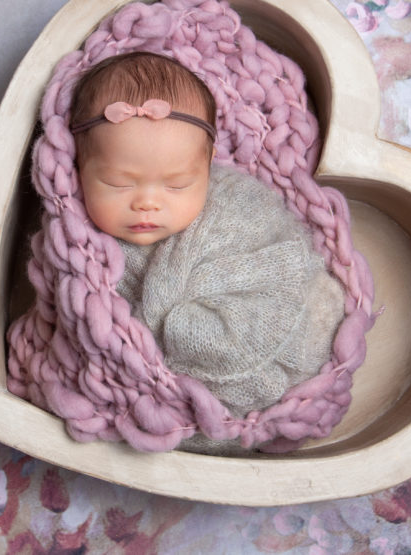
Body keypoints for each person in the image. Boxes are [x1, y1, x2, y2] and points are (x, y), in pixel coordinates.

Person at [69, 51, 345, 450]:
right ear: (78, 167)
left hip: (267, 313)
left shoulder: (234, 200)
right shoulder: (86, 255)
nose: (148, 202)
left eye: (178, 184)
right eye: (117, 183)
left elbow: (283, 250)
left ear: (209, 166)